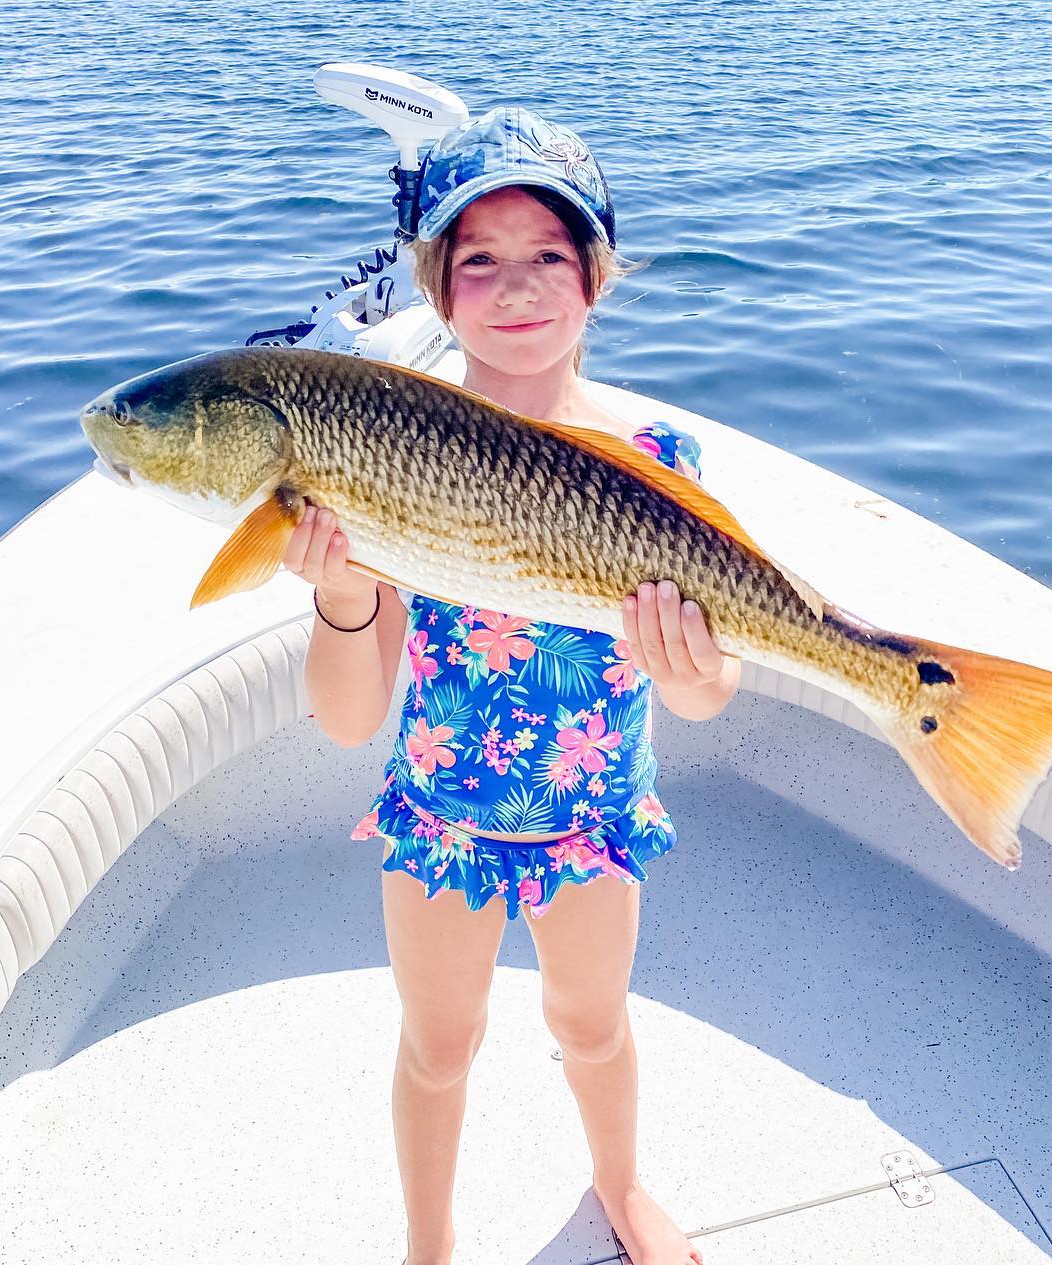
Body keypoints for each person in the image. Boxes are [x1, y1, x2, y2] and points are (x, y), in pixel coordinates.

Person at [283, 105, 739, 1265]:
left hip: (592, 817)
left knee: (593, 1024)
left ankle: (621, 1183)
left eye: (548, 252)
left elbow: (707, 691)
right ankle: (428, 1239)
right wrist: (342, 592)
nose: (517, 285)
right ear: (438, 287)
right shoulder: (387, 449)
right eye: (479, 258)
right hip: (440, 817)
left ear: (596, 274)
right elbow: (348, 715)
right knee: (438, 1043)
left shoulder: (661, 459)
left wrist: (695, 664)